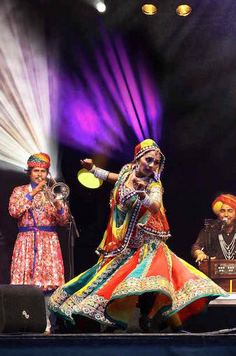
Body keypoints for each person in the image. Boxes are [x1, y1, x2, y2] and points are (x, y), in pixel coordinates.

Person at [50, 139, 225, 330]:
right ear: (138, 159)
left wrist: (143, 195)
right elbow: (112, 177)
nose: (151, 165)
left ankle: (157, 323)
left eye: (156, 162)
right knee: (111, 282)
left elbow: (156, 206)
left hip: (147, 245)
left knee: (149, 281)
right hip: (123, 243)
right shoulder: (127, 172)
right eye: (148, 160)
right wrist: (93, 170)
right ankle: (115, 322)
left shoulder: (153, 185)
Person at [8, 153, 71, 291]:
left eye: (43, 171)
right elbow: (14, 211)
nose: (39, 174)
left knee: (49, 288)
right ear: (29, 173)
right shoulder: (19, 191)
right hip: (26, 241)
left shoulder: (54, 192)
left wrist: (58, 205)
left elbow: (64, 221)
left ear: (47, 173)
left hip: (49, 242)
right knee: (24, 288)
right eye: (36, 171)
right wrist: (33, 193)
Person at [190, 194, 236, 266]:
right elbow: (196, 247)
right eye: (222, 211)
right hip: (214, 275)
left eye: (230, 211)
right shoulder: (209, 231)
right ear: (218, 214)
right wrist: (199, 253)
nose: (226, 214)